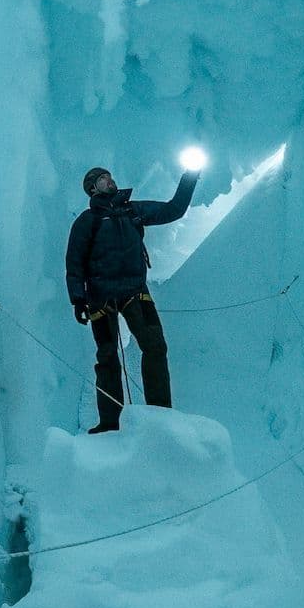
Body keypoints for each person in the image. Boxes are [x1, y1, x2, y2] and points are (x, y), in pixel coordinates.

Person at [65, 163, 199, 432]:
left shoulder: (132, 210)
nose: (110, 180)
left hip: (135, 291)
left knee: (155, 347)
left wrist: (190, 177)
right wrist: (77, 298)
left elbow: (173, 210)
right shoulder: (86, 221)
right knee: (107, 357)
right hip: (100, 298)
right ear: (92, 188)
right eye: (103, 179)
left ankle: (161, 415)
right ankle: (110, 422)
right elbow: (74, 261)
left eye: (110, 176)